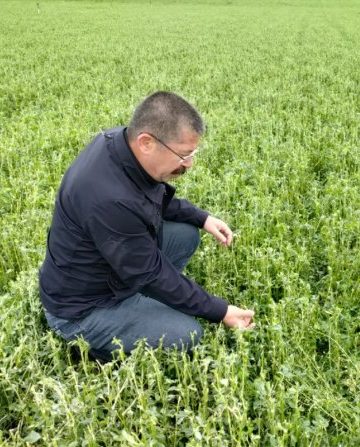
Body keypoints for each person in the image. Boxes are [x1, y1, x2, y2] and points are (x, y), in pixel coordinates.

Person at [39, 91, 255, 361]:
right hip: (82, 309)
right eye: (184, 154)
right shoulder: (110, 199)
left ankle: (144, 304)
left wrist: (202, 218)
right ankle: (95, 348)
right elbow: (151, 272)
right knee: (188, 333)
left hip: (111, 269)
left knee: (186, 234)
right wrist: (221, 311)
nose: (190, 164)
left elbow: (150, 197)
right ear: (147, 143)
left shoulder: (120, 144)